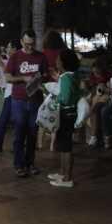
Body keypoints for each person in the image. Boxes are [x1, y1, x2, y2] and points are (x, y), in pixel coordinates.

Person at [5, 30, 48, 178]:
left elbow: (45, 76)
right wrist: (23, 79)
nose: (30, 47)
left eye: (32, 44)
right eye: (27, 44)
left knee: (32, 133)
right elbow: (7, 77)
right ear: (22, 42)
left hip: (35, 100)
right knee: (19, 132)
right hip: (19, 100)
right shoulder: (15, 57)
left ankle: (30, 163)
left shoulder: (41, 57)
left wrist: (40, 81)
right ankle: (18, 164)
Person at [48, 49, 81, 188]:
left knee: (66, 146)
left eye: (58, 59)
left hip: (66, 113)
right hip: (71, 113)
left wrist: (56, 98)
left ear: (63, 63)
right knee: (63, 144)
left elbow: (65, 97)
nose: (56, 61)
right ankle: (62, 173)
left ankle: (67, 178)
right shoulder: (72, 75)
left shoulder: (66, 77)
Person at [85, 57, 110, 148]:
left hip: (104, 98)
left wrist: (104, 88)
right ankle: (93, 137)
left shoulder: (107, 77)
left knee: (94, 109)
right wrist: (87, 85)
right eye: (94, 72)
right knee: (89, 105)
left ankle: (93, 137)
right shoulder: (92, 76)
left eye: (97, 72)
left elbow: (108, 91)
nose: (95, 74)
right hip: (94, 96)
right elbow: (91, 90)